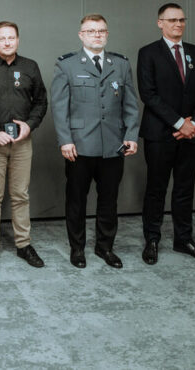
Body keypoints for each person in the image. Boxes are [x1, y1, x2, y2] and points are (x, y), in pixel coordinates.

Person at [51, 14, 139, 269]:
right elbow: (59, 107)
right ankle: (77, 248)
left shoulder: (120, 64)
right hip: (79, 146)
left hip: (113, 145)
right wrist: (65, 140)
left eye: (101, 31)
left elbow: (130, 104)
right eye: (91, 31)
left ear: (107, 34)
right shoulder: (67, 65)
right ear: (81, 35)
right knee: (76, 201)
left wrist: (131, 136)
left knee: (109, 200)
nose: (97, 35)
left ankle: (105, 247)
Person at [137, 2, 195, 264]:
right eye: (172, 20)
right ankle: (152, 239)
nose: (178, 24)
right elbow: (148, 94)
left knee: (185, 189)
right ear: (160, 23)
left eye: (181, 20)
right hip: (160, 134)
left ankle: (184, 240)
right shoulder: (148, 53)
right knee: (156, 189)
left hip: (192, 134)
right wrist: (180, 123)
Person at [0, 21, 48, 269]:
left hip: (22, 142)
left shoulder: (30, 67)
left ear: (18, 40)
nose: (7, 42)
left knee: (20, 195)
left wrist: (29, 125)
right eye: (2, 38)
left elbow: (41, 102)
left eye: (11, 38)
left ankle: (23, 245)